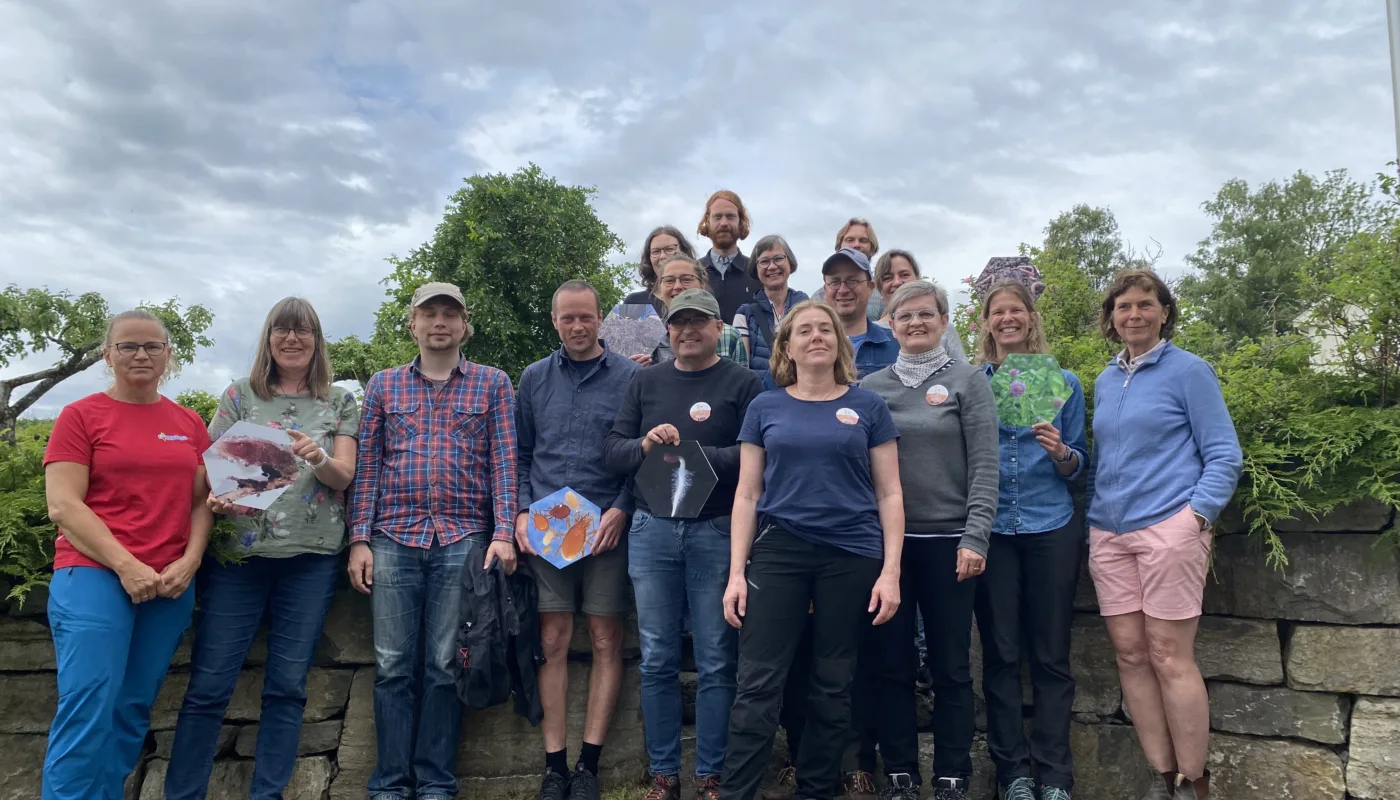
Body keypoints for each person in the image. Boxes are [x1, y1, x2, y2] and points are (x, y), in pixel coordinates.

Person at [165, 298, 360, 800]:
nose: (292, 339)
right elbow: (208, 471)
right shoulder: (239, 394)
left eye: (303, 331)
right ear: (268, 338)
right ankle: (183, 793)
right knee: (209, 687)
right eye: (282, 330)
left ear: (317, 340)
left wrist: (317, 455)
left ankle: (267, 795)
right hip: (239, 561)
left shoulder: (338, 401)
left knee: (288, 689)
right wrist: (218, 497)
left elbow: (345, 476)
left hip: (312, 560)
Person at [718, 299, 903, 800]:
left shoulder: (869, 407)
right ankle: (737, 792)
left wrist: (890, 572)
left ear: (840, 344)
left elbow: (889, 493)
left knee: (832, 682)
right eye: (805, 330)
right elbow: (748, 494)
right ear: (787, 346)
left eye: (826, 329)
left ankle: (817, 790)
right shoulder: (765, 406)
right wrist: (737, 572)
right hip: (780, 550)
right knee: (757, 682)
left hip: (852, 554)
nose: (817, 336)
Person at [348, 281, 520, 800]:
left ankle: (436, 782)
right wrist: (359, 539)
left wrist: (504, 533)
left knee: (447, 664)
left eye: (450, 314)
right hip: (393, 538)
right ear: (413, 323)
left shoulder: (493, 384)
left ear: (465, 325)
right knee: (392, 666)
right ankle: (390, 784)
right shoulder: (383, 385)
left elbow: (505, 464)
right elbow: (369, 467)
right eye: (430, 314)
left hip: (463, 538)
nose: (440, 322)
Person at [42, 309, 214, 800]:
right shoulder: (80, 416)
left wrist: (192, 559)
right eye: (128, 346)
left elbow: (203, 500)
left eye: (152, 346)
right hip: (94, 576)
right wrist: (125, 564)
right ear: (107, 354)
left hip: (168, 583)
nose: (141, 355)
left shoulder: (188, 422)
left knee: (131, 709)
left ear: (168, 355)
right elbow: (63, 504)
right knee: (88, 707)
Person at [1087, 270, 1242, 800]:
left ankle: (1194, 780)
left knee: (1169, 655)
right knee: (1130, 654)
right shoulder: (1107, 380)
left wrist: (1194, 517)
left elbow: (1224, 453)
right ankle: (1161, 776)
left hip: (1168, 529)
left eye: (1144, 304)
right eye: (1123, 306)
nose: (1134, 314)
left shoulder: (1189, 371)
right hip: (1109, 534)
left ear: (1164, 311)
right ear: (1111, 317)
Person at [603, 289, 764, 800]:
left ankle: (711, 775)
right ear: (667, 331)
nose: (687, 330)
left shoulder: (744, 383)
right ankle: (664, 775)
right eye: (679, 323)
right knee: (656, 657)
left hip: (716, 529)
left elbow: (756, 453)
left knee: (717, 657)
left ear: (719, 328)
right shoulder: (644, 381)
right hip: (651, 530)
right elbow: (613, 451)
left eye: (698, 322)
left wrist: (698, 456)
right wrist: (647, 444)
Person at [861, 281, 999, 800]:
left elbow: (985, 467)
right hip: (889, 549)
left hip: (951, 544)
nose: (915, 323)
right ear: (890, 325)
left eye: (925, 314)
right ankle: (899, 772)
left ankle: (952, 775)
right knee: (892, 662)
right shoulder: (872, 388)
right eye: (905, 316)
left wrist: (976, 537)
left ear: (943, 320)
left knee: (950, 666)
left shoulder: (969, 382)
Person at [515, 280, 641, 800]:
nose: (577, 326)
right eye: (568, 318)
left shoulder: (632, 378)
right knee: (552, 643)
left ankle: (589, 765)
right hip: (547, 525)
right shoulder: (534, 378)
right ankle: (554, 766)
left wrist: (623, 508)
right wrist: (520, 512)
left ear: (600, 319)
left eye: (586, 317)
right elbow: (520, 453)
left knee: (609, 641)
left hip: (606, 526)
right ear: (555, 321)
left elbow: (642, 453)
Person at [973, 280, 1087, 800]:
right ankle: (1013, 773)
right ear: (987, 322)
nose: (1007, 318)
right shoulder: (973, 384)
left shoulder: (1064, 382)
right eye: (998, 312)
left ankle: (1055, 776)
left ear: (1030, 317)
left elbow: (1078, 466)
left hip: (1050, 525)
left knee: (1049, 655)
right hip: (992, 529)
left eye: (1016, 309)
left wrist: (1061, 451)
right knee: (998, 653)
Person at [637, 254, 748, 368]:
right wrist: (633, 369)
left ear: (702, 285)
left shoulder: (730, 336)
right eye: (669, 280)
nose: (677, 286)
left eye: (686, 279)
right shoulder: (642, 336)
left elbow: (742, 382)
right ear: (660, 289)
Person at [732, 235, 808, 381]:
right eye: (764, 261)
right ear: (756, 268)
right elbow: (741, 367)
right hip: (761, 394)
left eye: (778, 258)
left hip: (802, 393)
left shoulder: (805, 306)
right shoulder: (744, 314)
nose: (772, 266)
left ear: (790, 262)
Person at [872, 249, 966, 361]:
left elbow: (962, 373)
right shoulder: (871, 333)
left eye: (904, 275)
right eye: (888, 278)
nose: (897, 282)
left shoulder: (944, 328)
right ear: (879, 286)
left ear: (917, 278)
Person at [820, 248, 898, 379]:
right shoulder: (809, 346)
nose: (843, 290)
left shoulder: (898, 344)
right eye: (834, 282)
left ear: (870, 288)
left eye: (852, 281)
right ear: (825, 290)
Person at [696, 190, 761, 321]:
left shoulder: (758, 272)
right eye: (717, 217)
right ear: (707, 221)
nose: (724, 223)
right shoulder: (693, 272)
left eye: (730, 217)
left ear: (741, 222)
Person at [812, 218, 883, 319]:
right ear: (838, 248)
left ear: (873, 249)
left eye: (863, 240)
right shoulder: (818, 298)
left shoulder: (883, 296)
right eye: (850, 240)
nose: (856, 245)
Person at [624, 225, 698, 307]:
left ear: (684, 252)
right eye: (656, 252)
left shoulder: (703, 300)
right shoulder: (634, 303)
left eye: (669, 249)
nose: (662, 256)